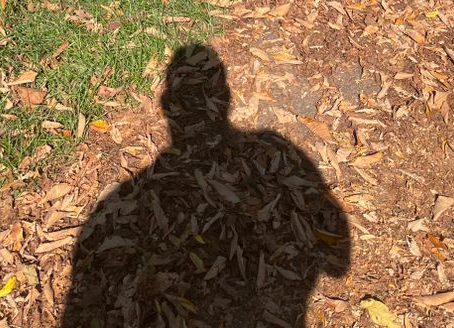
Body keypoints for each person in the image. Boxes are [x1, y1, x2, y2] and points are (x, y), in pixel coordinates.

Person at [61, 44, 351, 327]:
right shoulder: (275, 148)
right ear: (225, 97)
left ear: (166, 105)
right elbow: (336, 263)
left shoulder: (118, 200)